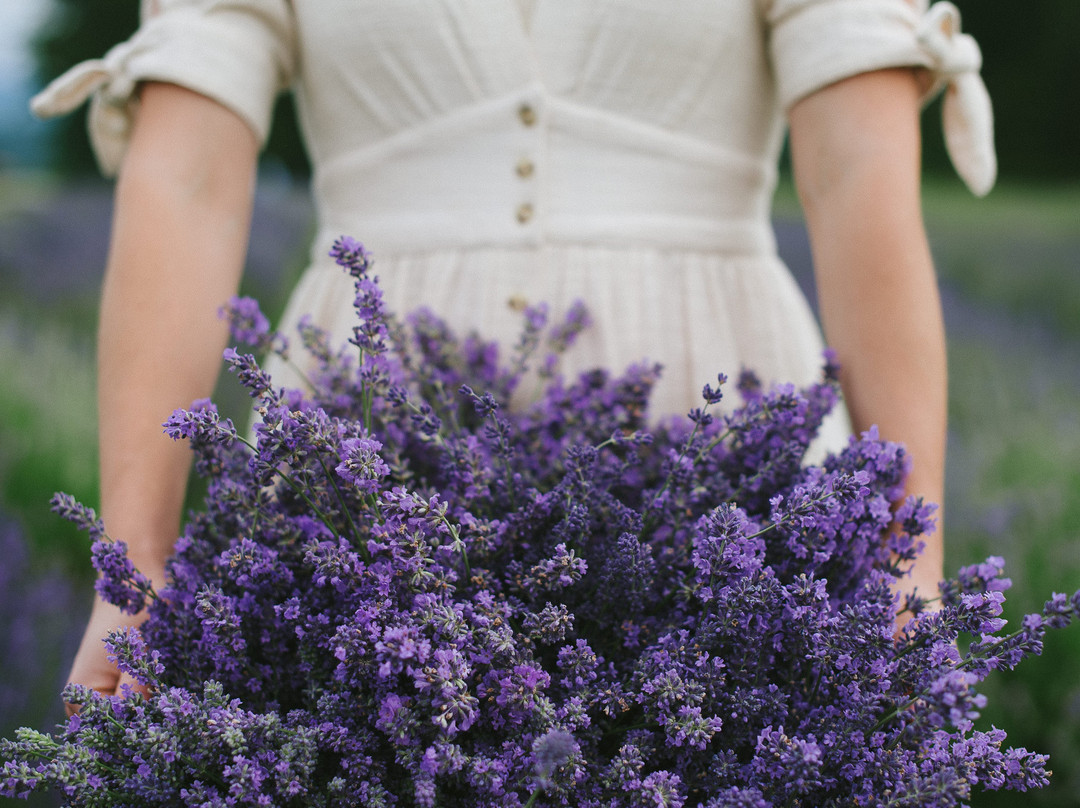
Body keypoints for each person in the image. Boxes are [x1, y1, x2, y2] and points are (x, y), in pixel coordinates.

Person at [32, 0, 994, 705]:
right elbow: (187, 183)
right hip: (360, 468)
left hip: (724, 433)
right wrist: (139, 566)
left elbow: (856, 173)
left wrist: (912, 557)